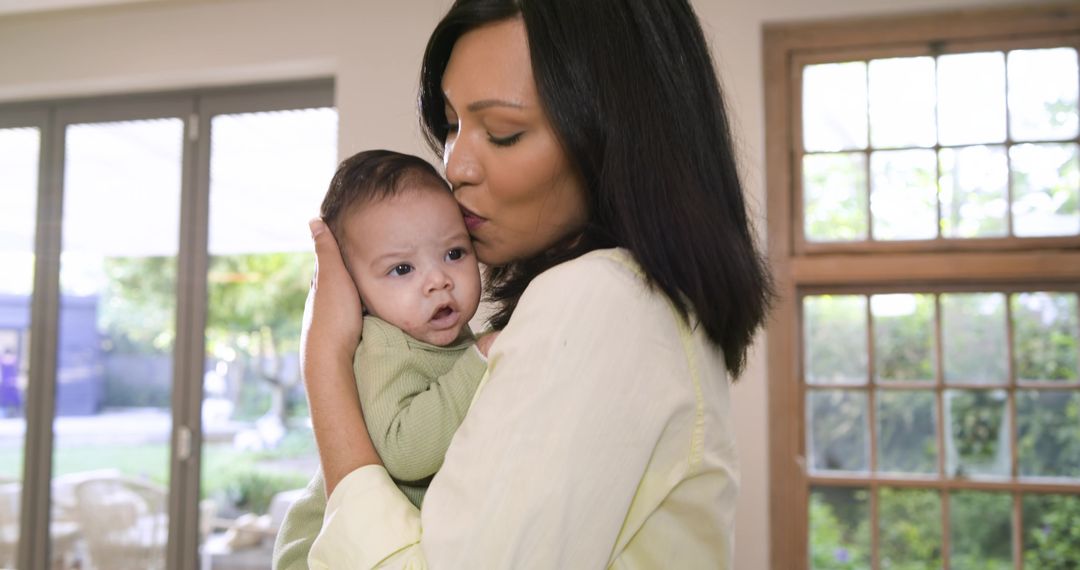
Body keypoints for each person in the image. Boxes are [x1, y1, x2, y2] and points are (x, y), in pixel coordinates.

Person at [301, 0, 774, 567]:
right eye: (451, 125)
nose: (454, 166)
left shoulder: (599, 298)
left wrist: (324, 364)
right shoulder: (635, 300)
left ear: (614, 138)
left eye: (501, 132)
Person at [273, 150, 494, 569]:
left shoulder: (445, 338)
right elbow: (404, 450)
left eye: (453, 253)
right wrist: (478, 361)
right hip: (325, 550)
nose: (438, 280)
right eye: (402, 269)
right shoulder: (383, 347)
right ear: (354, 291)